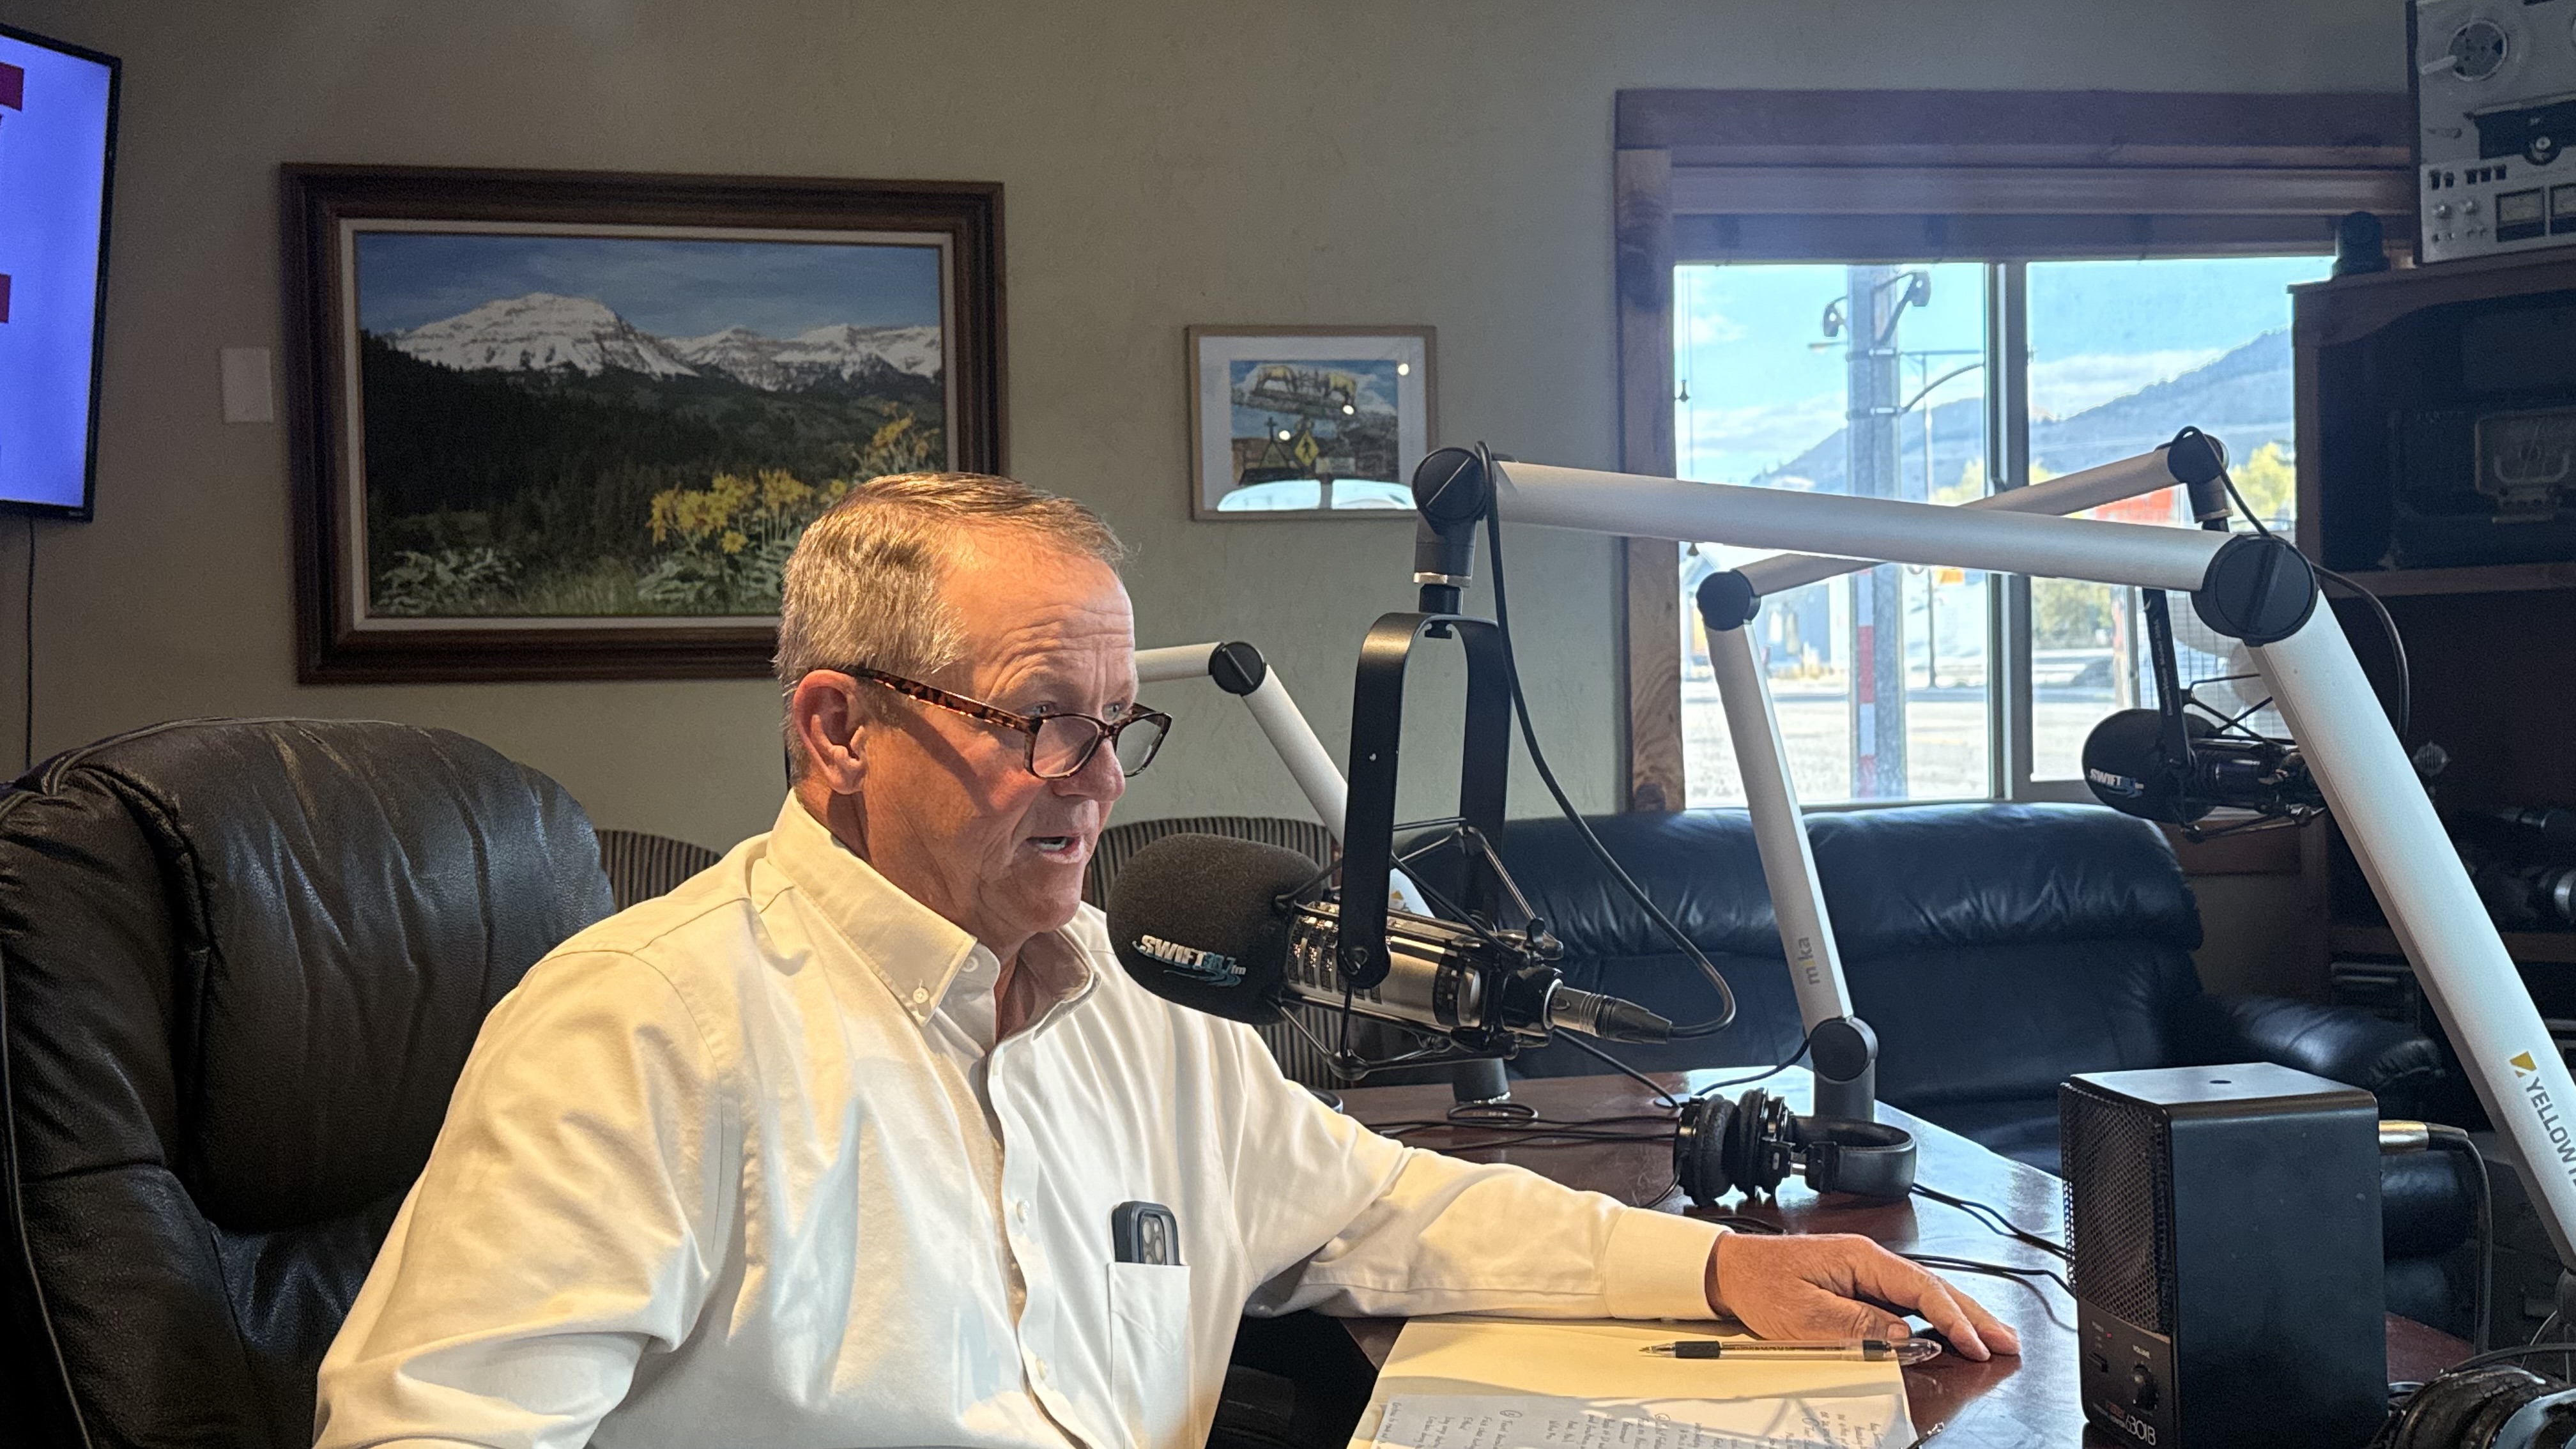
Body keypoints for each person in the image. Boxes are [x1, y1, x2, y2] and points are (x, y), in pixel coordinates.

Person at [314, 473, 2014, 1449]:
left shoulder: (1133, 1000)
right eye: (1040, 721)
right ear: (837, 730)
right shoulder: (640, 1028)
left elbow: (1385, 1208)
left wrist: (1713, 1272)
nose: (1102, 781)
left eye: (1119, 722)